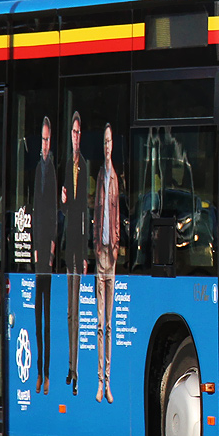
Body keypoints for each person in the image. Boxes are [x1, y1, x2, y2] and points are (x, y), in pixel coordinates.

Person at [60, 111, 88, 396]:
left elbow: (85, 211)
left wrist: (85, 252)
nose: (76, 136)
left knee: (78, 313)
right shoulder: (67, 164)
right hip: (68, 248)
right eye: (73, 132)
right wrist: (63, 201)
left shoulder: (86, 166)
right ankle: (70, 367)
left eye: (79, 132)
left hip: (79, 248)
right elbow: (67, 210)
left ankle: (77, 369)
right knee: (70, 313)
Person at [93, 123, 119, 403]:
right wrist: (96, 247)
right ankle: (100, 382)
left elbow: (117, 211)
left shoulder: (115, 178)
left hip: (112, 256)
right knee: (100, 324)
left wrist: (116, 246)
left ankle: (108, 382)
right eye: (104, 142)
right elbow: (97, 212)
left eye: (110, 141)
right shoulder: (101, 175)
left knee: (110, 324)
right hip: (100, 255)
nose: (107, 146)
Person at [32, 117, 57, 395]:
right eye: (42, 139)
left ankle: (47, 373)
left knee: (48, 317)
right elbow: (37, 210)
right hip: (38, 247)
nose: (45, 144)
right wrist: (37, 246)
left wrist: (50, 247)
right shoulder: (38, 169)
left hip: (48, 251)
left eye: (48, 140)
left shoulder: (52, 171)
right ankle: (38, 371)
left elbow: (52, 212)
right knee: (37, 315)